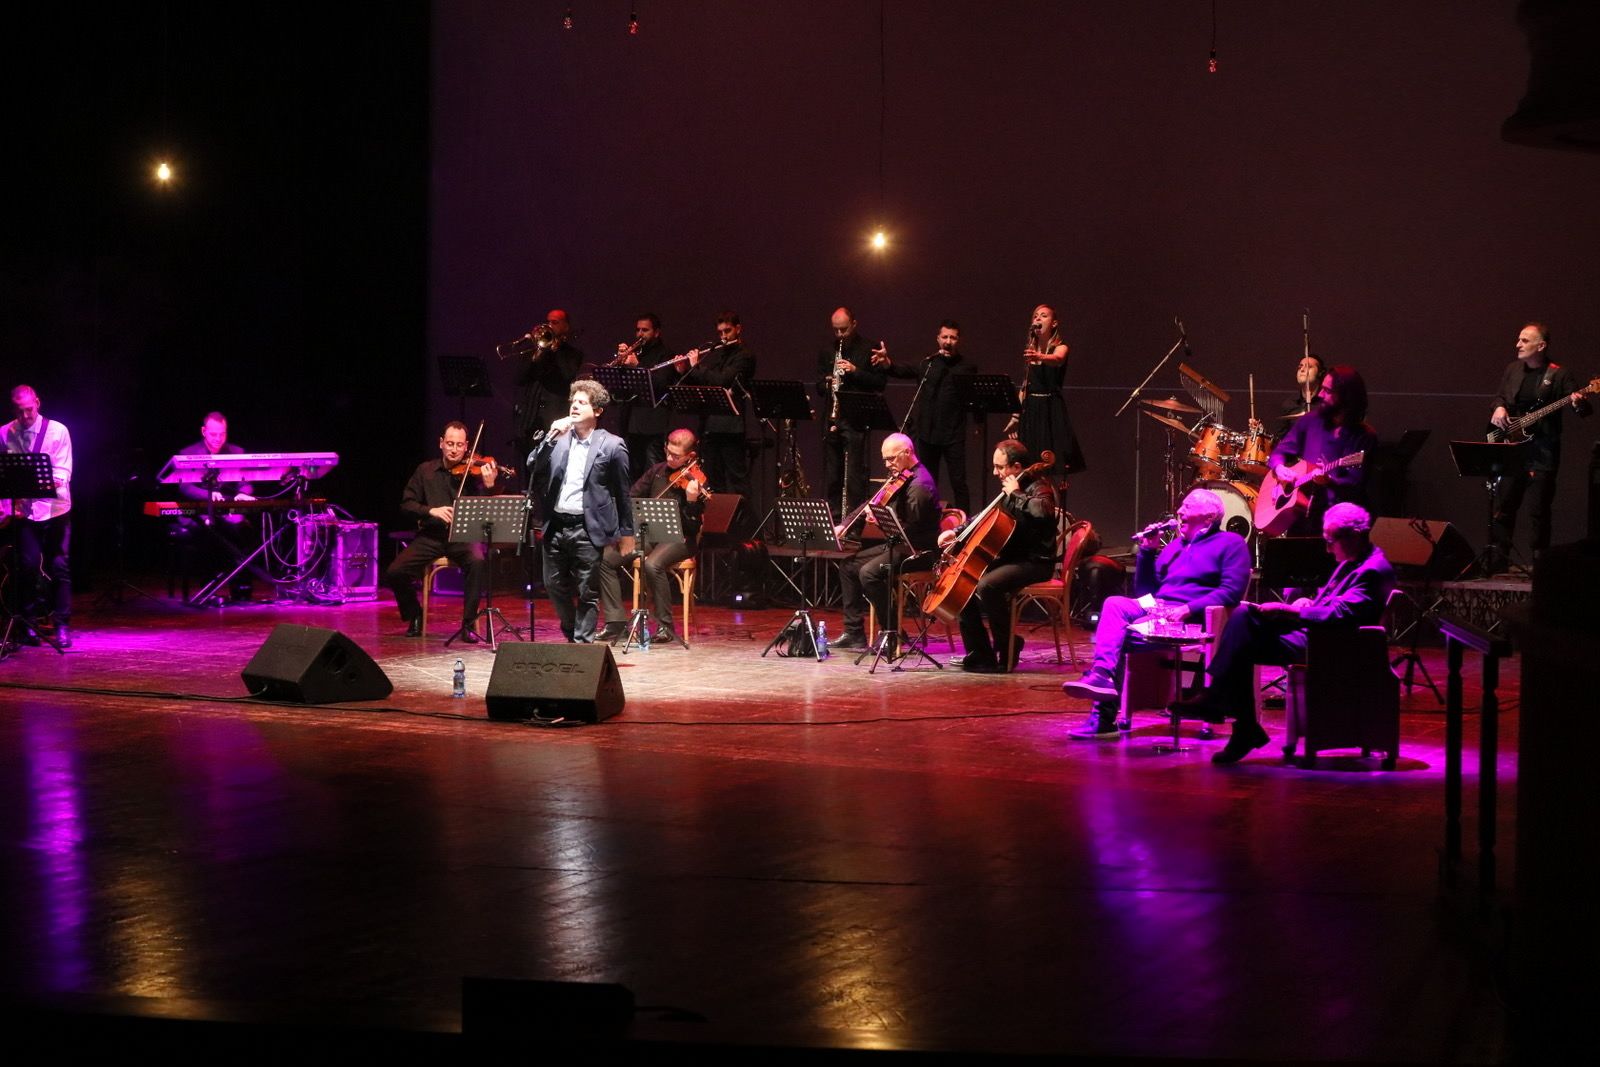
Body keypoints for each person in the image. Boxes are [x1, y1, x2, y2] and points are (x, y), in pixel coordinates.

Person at [1171, 503, 1396, 765]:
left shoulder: (1372, 570)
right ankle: (1236, 718)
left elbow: (1340, 614)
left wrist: (1288, 611)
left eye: (1330, 541)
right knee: (1244, 619)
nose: (1327, 549)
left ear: (1354, 536)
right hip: (1320, 636)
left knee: (1242, 639)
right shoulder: (1356, 560)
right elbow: (1334, 606)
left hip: (1332, 646)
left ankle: (1227, 708)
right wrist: (1308, 604)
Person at [1061, 488, 1252, 738]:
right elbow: (1146, 591)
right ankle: (1102, 676)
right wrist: (1148, 552)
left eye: (1187, 506)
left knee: (1114, 638)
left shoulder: (1230, 543)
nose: (1180, 511)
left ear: (1209, 517)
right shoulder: (1174, 547)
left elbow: (1232, 591)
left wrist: (1188, 608)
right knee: (1115, 604)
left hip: (1192, 618)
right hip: (1159, 609)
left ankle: (1103, 716)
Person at [529, 379, 636, 643]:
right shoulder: (559, 439)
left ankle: (581, 647)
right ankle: (572, 629)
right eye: (573, 401)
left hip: (588, 528)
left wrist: (627, 532)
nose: (574, 406)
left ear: (597, 411)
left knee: (587, 591)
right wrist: (551, 438)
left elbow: (623, 493)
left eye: (582, 402)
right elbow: (533, 464)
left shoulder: (612, 445)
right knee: (553, 585)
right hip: (556, 525)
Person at [944, 439, 1062, 673]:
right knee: (963, 582)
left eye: (1000, 467)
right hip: (1012, 559)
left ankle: (1008, 645)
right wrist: (956, 531)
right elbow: (985, 515)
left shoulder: (1039, 487)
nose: (996, 473)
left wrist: (1017, 494)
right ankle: (980, 652)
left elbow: (1044, 511)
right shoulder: (1011, 488)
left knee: (987, 586)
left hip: (1035, 562)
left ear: (1016, 467)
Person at [1488, 322, 1592, 574]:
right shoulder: (1513, 370)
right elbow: (1500, 397)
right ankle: (1498, 561)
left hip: (1542, 453)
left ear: (1541, 346)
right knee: (1503, 509)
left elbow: (1585, 411)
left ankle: (1539, 567)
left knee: (1538, 512)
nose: (1518, 344)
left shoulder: (1559, 374)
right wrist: (1499, 408)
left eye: (1524, 340)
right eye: (1519, 340)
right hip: (1513, 448)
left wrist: (1578, 402)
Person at [383, 421, 500, 641]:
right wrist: (431, 511)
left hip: (463, 537)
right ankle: (414, 613)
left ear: (467, 447)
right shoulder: (425, 471)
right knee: (394, 572)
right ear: (441, 443)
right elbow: (406, 504)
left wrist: (488, 486)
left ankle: (468, 624)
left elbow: (486, 513)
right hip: (431, 536)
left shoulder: (474, 476)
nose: (454, 449)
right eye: (449, 443)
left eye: (459, 444)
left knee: (477, 562)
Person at [596, 427, 707, 645]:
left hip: (681, 539)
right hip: (651, 535)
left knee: (652, 564)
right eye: (667, 452)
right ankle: (615, 620)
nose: (669, 458)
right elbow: (632, 497)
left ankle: (665, 626)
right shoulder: (656, 471)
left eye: (676, 456)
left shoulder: (696, 480)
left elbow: (693, 527)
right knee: (606, 559)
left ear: (691, 456)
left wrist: (692, 501)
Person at [830, 433, 940, 651]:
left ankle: (892, 632)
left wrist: (881, 521)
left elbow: (912, 530)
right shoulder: (902, 476)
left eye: (892, 459)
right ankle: (854, 633)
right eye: (885, 460)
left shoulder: (919, 485)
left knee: (869, 573)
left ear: (908, 453)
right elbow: (870, 503)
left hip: (918, 550)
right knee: (848, 566)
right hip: (899, 546)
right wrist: (845, 524)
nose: (888, 465)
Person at [872, 319, 976, 513]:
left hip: (953, 434)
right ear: (938, 339)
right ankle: (928, 520)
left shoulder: (967, 367)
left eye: (952, 337)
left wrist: (978, 423)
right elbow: (902, 370)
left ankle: (967, 524)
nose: (948, 341)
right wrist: (887, 363)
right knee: (927, 480)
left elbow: (973, 398)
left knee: (959, 482)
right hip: (927, 433)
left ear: (958, 340)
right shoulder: (928, 364)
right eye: (944, 337)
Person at [1266, 364, 1377, 535]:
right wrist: (1279, 469)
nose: (1320, 395)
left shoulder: (1364, 436)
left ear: (1346, 397)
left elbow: (1356, 486)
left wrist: (1330, 482)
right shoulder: (1311, 421)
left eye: (1327, 391)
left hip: (1340, 524)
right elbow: (1278, 453)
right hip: (1302, 519)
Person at [1, 385, 74, 647]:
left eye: (29, 410)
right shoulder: (5, 433)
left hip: (55, 509)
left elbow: (64, 472)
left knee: (59, 567)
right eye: (19, 412)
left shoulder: (58, 431)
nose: (25, 416)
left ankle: (62, 624)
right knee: (27, 567)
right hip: (25, 512)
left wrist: (40, 484)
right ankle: (28, 623)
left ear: (38, 403)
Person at [171, 411, 259, 601]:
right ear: (204, 431)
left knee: (244, 529)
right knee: (210, 530)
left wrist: (244, 493)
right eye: (213, 434)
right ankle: (209, 589)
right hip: (199, 512)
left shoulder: (237, 452)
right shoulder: (188, 453)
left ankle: (241, 589)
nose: (218, 439)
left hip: (227, 511)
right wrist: (209, 495)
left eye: (222, 434)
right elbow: (185, 486)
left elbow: (246, 482)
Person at [816, 307, 889, 513]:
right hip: (833, 417)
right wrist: (828, 380)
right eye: (836, 330)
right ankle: (834, 517)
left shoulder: (868, 348)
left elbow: (879, 382)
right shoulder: (828, 350)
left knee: (855, 475)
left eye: (844, 330)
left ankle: (855, 521)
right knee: (832, 474)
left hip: (856, 418)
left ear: (854, 324)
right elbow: (819, 387)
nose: (840, 335)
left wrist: (855, 371)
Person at [679, 312, 756, 497]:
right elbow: (704, 383)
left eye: (727, 331)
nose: (723, 336)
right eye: (720, 332)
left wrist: (696, 367)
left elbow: (722, 380)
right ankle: (716, 523)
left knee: (738, 481)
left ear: (738, 329)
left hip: (731, 428)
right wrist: (685, 370)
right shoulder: (719, 355)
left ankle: (743, 524)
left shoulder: (745, 356)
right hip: (711, 427)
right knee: (713, 480)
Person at [1006, 304, 1086, 482]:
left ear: (1054, 323)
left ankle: (1049, 501)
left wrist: (1039, 357)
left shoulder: (1061, 347)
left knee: (1050, 461)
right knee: (1028, 462)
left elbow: (1058, 359)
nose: (1038, 319)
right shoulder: (1031, 349)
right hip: (1031, 409)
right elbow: (1026, 384)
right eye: (1035, 316)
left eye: (1043, 316)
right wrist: (1015, 416)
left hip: (1050, 408)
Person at [612, 313, 678, 479]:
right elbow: (621, 387)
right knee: (631, 473)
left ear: (656, 332)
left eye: (645, 330)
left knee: (653, 473)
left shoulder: (666, 354)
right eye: (638, 330)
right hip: (630, 423)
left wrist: (637, 365)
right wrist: (620, 365)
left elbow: (661, 384)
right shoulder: (635, 352)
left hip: (652, 425)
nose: (640, 334)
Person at [514, 308, 585, 455]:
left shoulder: (572, 353)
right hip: (529, 419)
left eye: (555, 322)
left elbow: (567, 375)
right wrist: (535, 355)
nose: (550, 325)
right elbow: (519, 378)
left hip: (554, 420)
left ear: (566, 326)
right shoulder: (537, 349)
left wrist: (555, 349)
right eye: (548, 322)